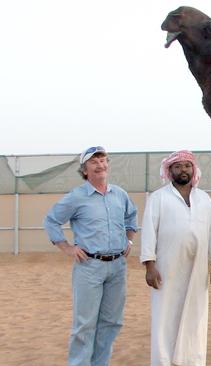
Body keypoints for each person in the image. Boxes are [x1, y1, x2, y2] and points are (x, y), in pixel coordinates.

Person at [44, 146, 138, 366]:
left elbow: (131, 217)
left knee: (112, 321)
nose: (100, 165)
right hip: (89, 267)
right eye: (94, 162)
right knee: (84, 325)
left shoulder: (120, 194)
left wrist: (129, 240)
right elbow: (51, 220)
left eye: (104, 160)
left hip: (117, 267)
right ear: (84, 170)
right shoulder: (76, 197)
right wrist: (67, 248)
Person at [140, 150, 211, 366]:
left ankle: (191, 360)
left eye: (187, 165)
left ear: (193, 169)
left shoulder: (204, 199)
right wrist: (149, 265)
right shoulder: (158, 198)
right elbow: (149, 231)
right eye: (177, 166)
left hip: (197, 270)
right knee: (165, 316)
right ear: (170, 171)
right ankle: (163, 361)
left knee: (195, 316)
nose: (183, 170)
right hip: (166, 268)